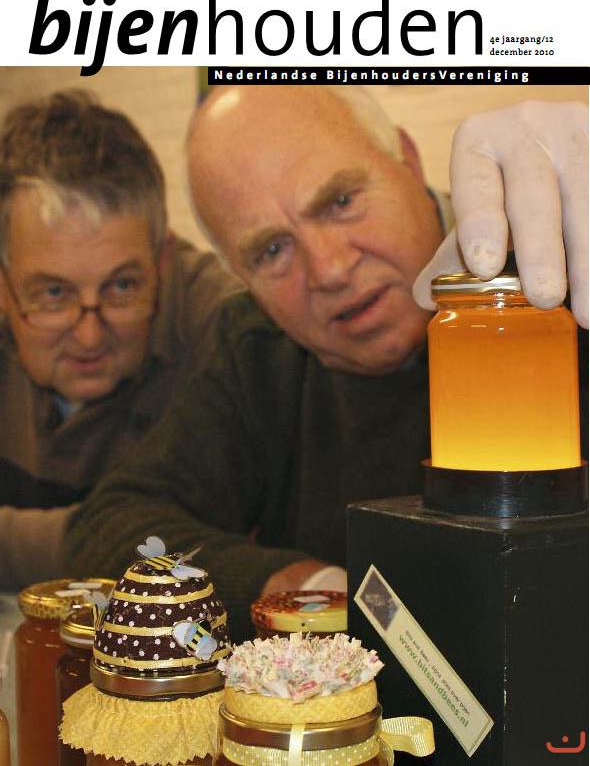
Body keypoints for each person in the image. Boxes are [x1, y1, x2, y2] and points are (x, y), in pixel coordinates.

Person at [64, 88, 588, 641]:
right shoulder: (258, 348)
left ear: (407, 161)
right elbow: (109, 526)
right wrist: (301, 588)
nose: (330, 269)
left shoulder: (557, 287)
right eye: (272, 251)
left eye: (340, 201)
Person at [0, 90, 241, 588]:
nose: (89, 336)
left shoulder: (228, 331)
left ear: (162, 263)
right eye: (53, 293)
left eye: (123, 286)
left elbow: (206, 553)